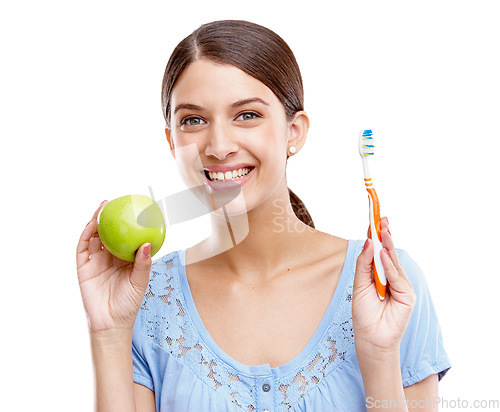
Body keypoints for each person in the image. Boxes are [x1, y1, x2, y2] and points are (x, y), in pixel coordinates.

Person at [76, 20, 451, 412]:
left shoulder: (385, 282)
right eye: (193, 120)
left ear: (295, 131)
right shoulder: (145, 300)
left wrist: (379, 356)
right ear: (172, 140)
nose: (219, 146)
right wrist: (109, 332)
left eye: (246, 115)